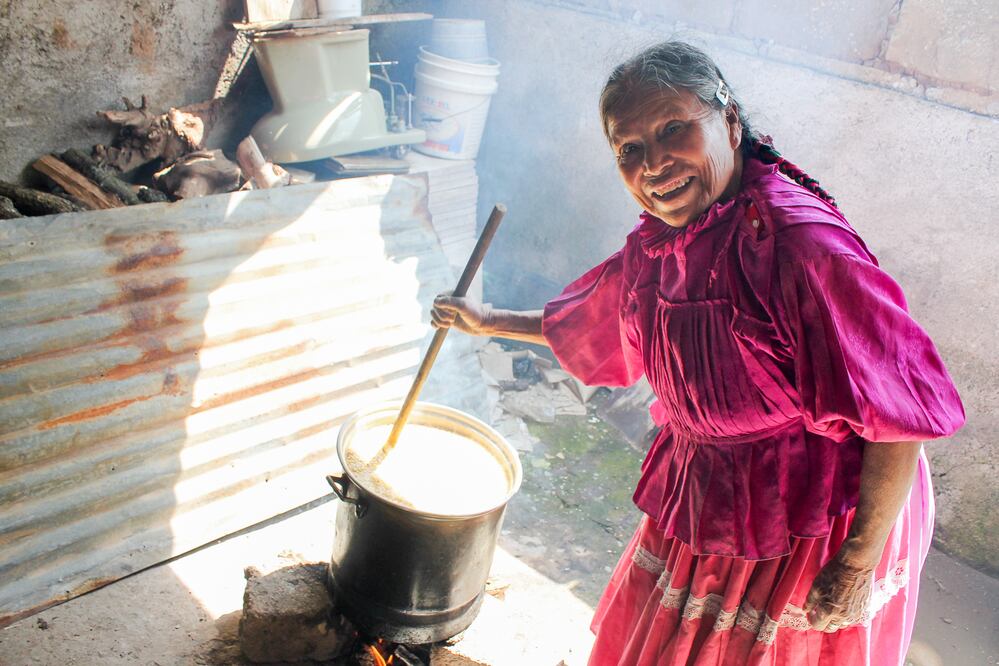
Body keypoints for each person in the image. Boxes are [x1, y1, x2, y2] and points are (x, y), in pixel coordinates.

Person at [431, 41, 965, 666]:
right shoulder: (663, 245)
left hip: (813, 517)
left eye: (673, 129)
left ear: (730, 122)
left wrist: (856, 563)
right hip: (713, 492)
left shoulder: (799, 249)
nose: (653, 163)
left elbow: (899, 421)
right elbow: (596, 323)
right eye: (629, 149)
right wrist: (487, 320)